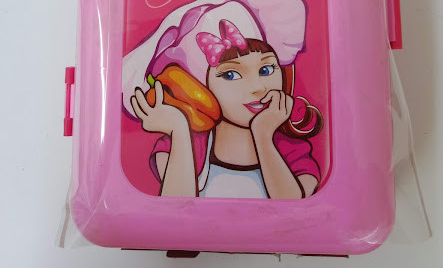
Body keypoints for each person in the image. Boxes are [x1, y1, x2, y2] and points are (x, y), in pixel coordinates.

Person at [131, 18, 321, 199]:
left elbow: (293, 207)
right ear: (200, 89)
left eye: (266, 70)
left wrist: (263, 135)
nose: (258, 88)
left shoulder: (294, 151)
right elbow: (175, 208)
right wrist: (179, 128)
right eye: (230, 74)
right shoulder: (183, 145)